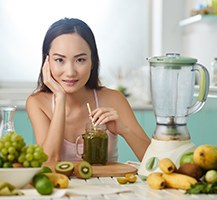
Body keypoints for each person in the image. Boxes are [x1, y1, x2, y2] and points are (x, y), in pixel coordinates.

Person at [26, 18, 150, 162]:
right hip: (59, 185)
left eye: (80, 60)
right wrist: (60, 98)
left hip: (108, 184)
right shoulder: (37, 103)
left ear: (92, 62)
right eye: (60, 60)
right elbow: (49, 162)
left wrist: (125, 131)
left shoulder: (114, 99)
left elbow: (155, 162)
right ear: (47, 63)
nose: (70, 72)